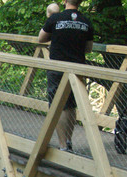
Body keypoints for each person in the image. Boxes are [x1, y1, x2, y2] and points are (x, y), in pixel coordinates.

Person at [38, 0, 94, 151]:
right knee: (71, 105)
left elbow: (41, 38)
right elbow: (88, 49)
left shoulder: (55, 18)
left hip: (57, 68)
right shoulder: (86, 21)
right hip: (77, 69)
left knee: (59, 105)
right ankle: (68, 140)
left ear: (64, 1)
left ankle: (63, 145)